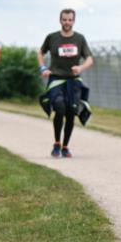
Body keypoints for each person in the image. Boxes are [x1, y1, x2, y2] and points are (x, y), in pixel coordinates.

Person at [38, 9, 94, 157]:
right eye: (64, 19)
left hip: (73, 81)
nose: (67, 22)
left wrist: (81, 67)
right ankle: (56, 143)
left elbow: (90, 59)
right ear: (60, 20)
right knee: (60, 107)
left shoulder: (80, 39)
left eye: (70, 20)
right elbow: (40, 53)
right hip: (56, 79)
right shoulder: (52, 37)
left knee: (71, 112)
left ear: (73, 21)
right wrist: (43, 67)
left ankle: (65, 146)